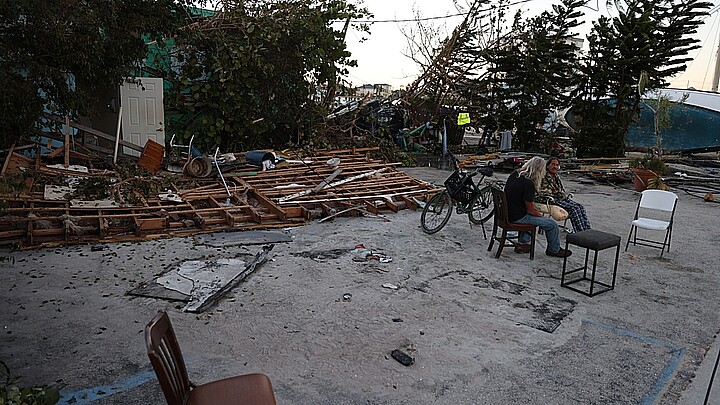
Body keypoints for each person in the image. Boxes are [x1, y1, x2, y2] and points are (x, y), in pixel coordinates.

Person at [504, 156, 572, 258]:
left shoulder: (516, 173)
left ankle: (523, 243)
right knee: (552, 224)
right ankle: (554, 250)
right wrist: (541, 217)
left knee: (531, 217)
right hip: (516, 217)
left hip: (507, 212)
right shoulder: (528, 183)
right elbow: (531, 210)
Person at [539, 157, 591, 233]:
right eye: (553, 164)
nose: (555, 167)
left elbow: (561, 190)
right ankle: (580, 232)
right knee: (573, 209)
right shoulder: (544, 176)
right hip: (550, 198)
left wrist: (562, 195)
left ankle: (587, 230)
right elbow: (544, 191)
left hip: (559, 197)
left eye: (557, 165)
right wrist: (559, 194)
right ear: (547, 166)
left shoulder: (556, 176)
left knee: (580, 207)